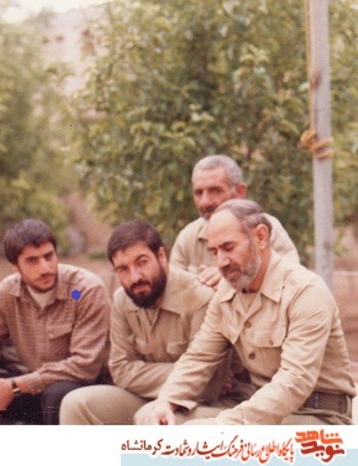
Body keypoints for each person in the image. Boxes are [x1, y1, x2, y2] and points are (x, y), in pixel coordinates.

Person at [137, 199, 356, 425]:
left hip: (318, 417)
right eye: (214, 252)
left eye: (228, 248)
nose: (221, 262)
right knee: (152, 418)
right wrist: (166, 401)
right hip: (258, 415)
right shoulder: (226, 295)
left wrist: (224, 425)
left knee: (203, 435)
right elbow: (199, 358)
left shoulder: (306, 291)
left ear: (261, 237)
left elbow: (294, 381)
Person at [60, 220, 228, 424]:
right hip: (147, 396)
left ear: (161, 256)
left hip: (200, 403)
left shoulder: (198, 297)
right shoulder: (123, 300)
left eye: (142, 262)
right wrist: (181, 370)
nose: (135, 277)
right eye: (123, 269)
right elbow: (120, 370)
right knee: (75, 404)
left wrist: (142, 373)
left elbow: (208, 383)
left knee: (149, 417)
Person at [0, 218, 111, 425]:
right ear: (15, 267)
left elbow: (85, 366)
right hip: (34, 388)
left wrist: (16, 386)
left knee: (57, 394)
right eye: (32, 261)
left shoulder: (84, 290)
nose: (45, 268)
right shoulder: (8, 292)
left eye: (49, 256)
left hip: (81, 389)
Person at [170, 154, 299, 288]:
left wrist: (232, 275)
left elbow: (293, 280)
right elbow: (174, 288)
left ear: (239, 192)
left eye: (215, 191)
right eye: (198, 193)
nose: (205, 202)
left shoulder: (265, 227)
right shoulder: (188, 237)